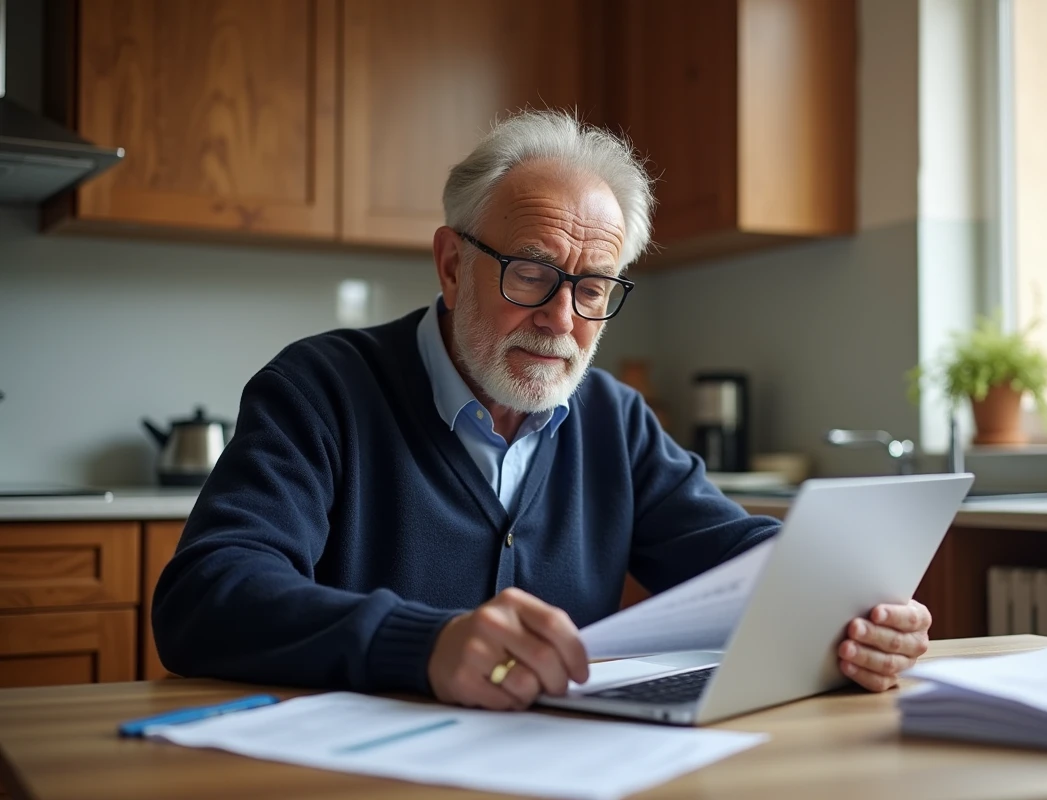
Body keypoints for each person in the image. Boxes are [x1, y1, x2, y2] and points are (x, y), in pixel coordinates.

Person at [152, 110, 932, 710]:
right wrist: (423, 644)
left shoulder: (613, 419)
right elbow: (206, 598)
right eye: (532, 273)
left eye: (593, 287)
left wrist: (860, 608)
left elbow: (729, 552)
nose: (563, 319)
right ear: (453, 265)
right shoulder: (320, 388)